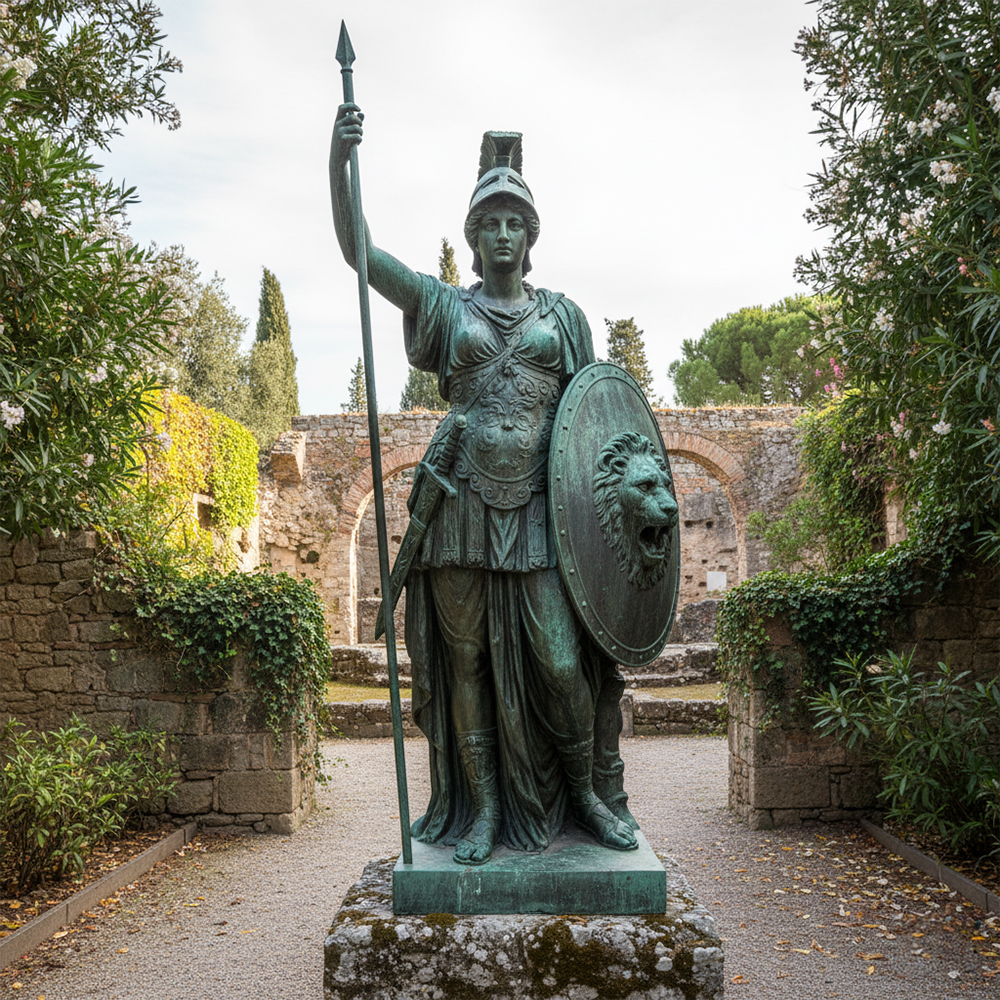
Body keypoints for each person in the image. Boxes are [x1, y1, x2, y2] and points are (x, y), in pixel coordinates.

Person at [331, 106, 637, 865]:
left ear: (531, 237)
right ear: (473, 238)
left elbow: (593, 422)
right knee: (462, 664)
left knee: (561, 661)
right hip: (459, 506)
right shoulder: (444, 306)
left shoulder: (564, 317)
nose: (503, 233)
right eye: (490, 222)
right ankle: (483, 807)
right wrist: (338, 164)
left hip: (541, 512)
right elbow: (360, 252)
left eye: (515, 222)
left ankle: (587, 798)